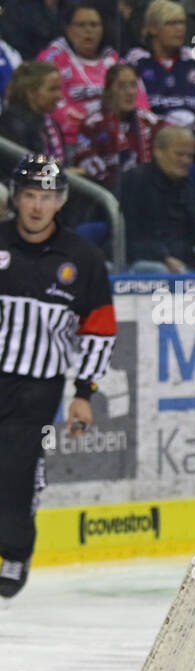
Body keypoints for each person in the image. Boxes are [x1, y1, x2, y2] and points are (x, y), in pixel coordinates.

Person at [0, 155, 117, 598]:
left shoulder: (82, 258)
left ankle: (13, 552)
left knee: (15, 470)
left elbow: (100, 329)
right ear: (16, 196)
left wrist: (83, 392)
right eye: (30, 195)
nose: (36, 206)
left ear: (60, 202)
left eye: (46, 197)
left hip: (38, 387)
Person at [38, 3, 149, 150]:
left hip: (120, 139)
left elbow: (141, 104)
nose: (88, 30)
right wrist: (94, 126)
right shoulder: (52, 59)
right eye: (81, 25)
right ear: (68, 29)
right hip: (73, 142)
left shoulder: (116, 62)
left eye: (94, 25)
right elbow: (54, 107)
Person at [119, 125, 195, 271]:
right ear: (158, 151)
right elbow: (127, 238)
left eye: (190, 156)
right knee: (159, 270)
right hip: (142, 263)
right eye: (179, 154)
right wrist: (163, 258)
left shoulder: (189, 188)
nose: (186, 161)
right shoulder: (134, 182)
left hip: (184, 266)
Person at [127, 0, 195, 135]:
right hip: (151, 139)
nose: (179, 28)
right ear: (152, 28)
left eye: (182, 23)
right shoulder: (136, 63)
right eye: (171, 23)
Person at [72, 62, 167, 192]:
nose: (129, 92)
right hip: (107, 196)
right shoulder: (92, 125)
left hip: (148, 195)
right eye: (122, 86)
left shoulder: (152, 122)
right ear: (109, 90)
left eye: (133, 85)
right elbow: (86, 164)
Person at [0, 61, 67, 161]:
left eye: (59, 89)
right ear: (31, 92)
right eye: (52, 89)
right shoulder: (11, 125)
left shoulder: (50, 122)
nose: (60, 96)